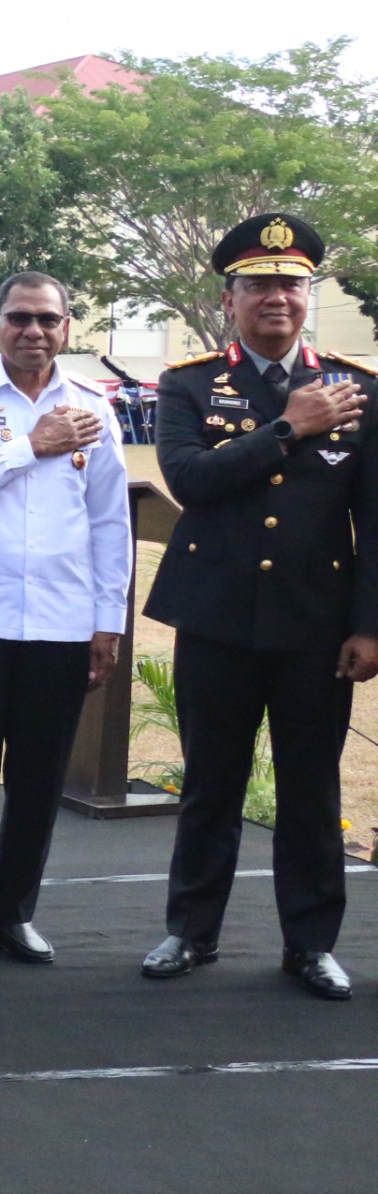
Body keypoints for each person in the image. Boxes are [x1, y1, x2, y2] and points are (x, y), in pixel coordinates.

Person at [140, 214, 378, 1000]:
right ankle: (191, 930)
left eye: (290, 284)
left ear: (308, 296)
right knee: (212, 782)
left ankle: (310, 943)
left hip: (316, 624)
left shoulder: (358, 388)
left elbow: (375, 518)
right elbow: (189, 479)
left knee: (311, 787)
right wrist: (287, 427)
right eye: (259, 284)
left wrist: (370, 624)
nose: (277, 296)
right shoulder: (190, 383)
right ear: (230, 299)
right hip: (218, 617)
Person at [0, 273, 130, 966]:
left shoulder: (92, 404)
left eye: (47, 319)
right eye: (19, 317)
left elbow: (110, 521)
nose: (33, 330)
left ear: (66, 327)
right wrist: (29, 444)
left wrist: (108, 620)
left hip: (63, 621)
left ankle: (10, 911)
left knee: (39, 779)